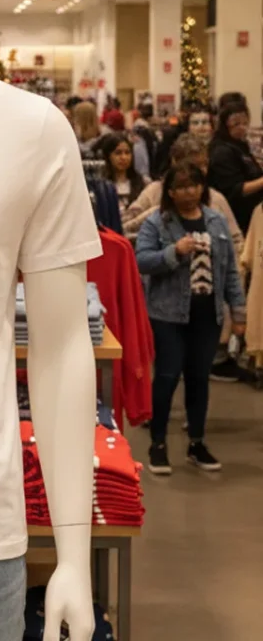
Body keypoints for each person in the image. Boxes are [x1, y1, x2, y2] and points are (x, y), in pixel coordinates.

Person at [136, 162, 246, 476]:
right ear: (170, 191)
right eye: (182, 186)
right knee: (168, 376)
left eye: (195, 185)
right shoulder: (158, 223)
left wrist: (238, 313)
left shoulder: (217, 222)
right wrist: (173, 252)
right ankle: (158, 444)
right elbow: (142, 260)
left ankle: (196, 442)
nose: (189, 192)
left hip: (207, 315)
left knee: (199, 378)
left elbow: (230, 273)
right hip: (167, 315)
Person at [123, 134, 244, 255]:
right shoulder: (154, 191)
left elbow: (236, 240)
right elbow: (125, 229)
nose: (202, 171)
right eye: (195, 166)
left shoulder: (216, 198)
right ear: (175, 162)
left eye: (205, 164)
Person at [208, 98, 263, 234]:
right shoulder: (222, 151)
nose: (242, 127)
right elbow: (235, 190)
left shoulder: (239, 144)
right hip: (238, 216)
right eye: (236, 124)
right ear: (226, 125)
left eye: (245, 123)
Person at [100, 133, 148, 214]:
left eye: (127, 152)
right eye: (118, 153)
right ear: (108, 156)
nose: (124, 157)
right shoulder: (102, 185)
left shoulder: (143, 183)